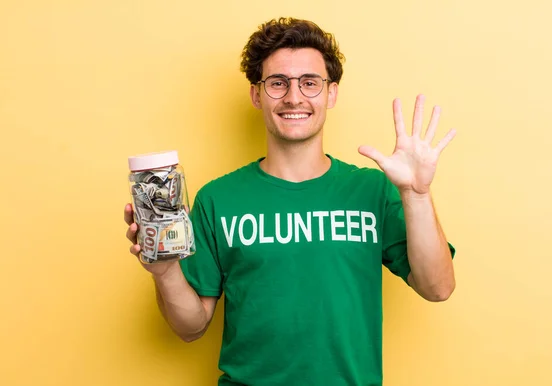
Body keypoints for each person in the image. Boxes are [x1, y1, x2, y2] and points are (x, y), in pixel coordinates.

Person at [124, 17, 456, 386]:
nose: (294, 97)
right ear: (257, 94)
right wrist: (166, 273)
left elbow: (437, 288)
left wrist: (416, 194)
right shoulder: (217, 199)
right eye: (278, 83)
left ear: (331, 93)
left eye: (310, 83)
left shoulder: (374, 190)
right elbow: (190, 327)